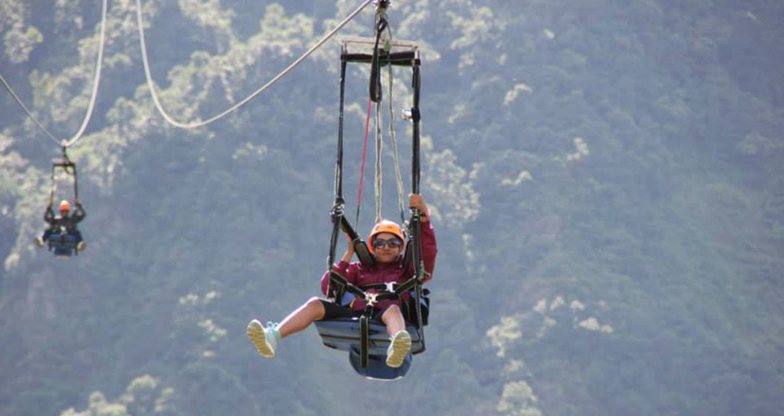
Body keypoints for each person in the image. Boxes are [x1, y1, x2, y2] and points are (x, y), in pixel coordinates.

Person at [247, 194, 437, 368]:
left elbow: (427, 257)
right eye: (380, 243)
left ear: (401, 247)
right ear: (373, 247)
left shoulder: (406, 270)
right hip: (355, 312)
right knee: (314, 304)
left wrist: (425, 217)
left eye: (392, 243)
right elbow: (328, 288)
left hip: (386, 315)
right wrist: (347, 255)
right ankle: (272, 336)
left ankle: (397, 344)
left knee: (393, 310)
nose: (386, 247)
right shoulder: (357, 269)